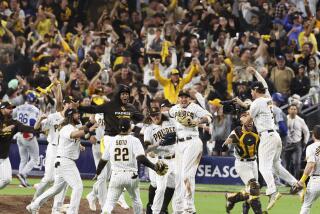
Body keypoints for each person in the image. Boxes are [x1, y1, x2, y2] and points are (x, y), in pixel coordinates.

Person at [26, 108, 97, 214]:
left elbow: (80, 129)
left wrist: (91, 122)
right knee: (78, 187)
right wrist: (91, 128)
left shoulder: (72, 126)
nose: (79, 115)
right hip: (65, 162)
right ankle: (72, 212)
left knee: (56, 189)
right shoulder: (66, 128)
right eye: (76, 114)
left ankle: (34, 205)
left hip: (63, 161)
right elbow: (74, 134)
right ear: (70, 116)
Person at [247, 67, 299, 210]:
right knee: (276, 166)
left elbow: (247, 122)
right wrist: (256, 73)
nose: (251, 93)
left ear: (256, 90)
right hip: (274, 135)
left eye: (252, 90)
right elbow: (263, 83)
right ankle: (296, 184)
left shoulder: (257, 102)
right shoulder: (268, 97)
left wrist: (243, 109)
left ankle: (272, 191)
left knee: (263, 167)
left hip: (267, 136)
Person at [94, 119, 168, 214]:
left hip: (116, 176)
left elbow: (103, 160)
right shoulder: (134, 140)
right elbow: (141, 158)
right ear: (129, 128)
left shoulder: (112, 141)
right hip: (131, 175)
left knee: (109, 203)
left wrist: (97, 172)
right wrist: (154, 167)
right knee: (136, 200)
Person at [168, 90, 212, 213]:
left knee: (187, 175)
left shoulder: (194, 107)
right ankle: (178, 208)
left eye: (186, 97)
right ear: (178, 99)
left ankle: (189, 209)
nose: (183, 99)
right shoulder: (174, 109)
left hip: (192, 141)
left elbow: (209, 117)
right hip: (179, 144)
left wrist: (198, 122)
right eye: (181, 97)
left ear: (189, 99)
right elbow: (167, 113)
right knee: (178, 176)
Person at [32, 95, 75, 213]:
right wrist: (40, 119)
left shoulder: (73, 119)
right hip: (53, 148)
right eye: (70, 103)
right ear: (65, 104)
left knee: (62, 180)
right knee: (48, 178)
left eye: (73, 103)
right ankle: (34, 202)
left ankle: (56, 209)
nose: (72, 105)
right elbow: (36, 128)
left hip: (65, 150)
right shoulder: (54, 116)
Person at [224, 110, 263, 214]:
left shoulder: (258, 129)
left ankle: (232, 198)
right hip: (242, 163)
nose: (248, 118)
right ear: (240, 120)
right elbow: (226, 144)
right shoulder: (237, 131)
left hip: (254, 162)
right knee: (254, 187)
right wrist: (227, 143)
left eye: (249, 115)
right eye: (244, 116)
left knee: (252, 191)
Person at [78, 84, 144, 136]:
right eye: (123, 94)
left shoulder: (131, 107)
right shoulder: (109, 105)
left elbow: (140, 118)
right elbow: (93, 109)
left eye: (127, 94)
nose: (125, 96)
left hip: (125, 137)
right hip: (110, 137)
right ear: (118, 95)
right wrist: (79, 107)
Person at [144, 107, 176, 214]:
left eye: (157, 114)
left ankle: (164, 208)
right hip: (161, 160)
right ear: (150, 117)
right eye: (153, 115)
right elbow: (147, 148)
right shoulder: (149, 129)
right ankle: (155, 211)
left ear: (161, 113)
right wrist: (159, 143)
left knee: (172, 186)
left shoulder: (171, 121)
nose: (155, 117)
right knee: (161, 188)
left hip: (175, 159)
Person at [0, 101, 38, 189]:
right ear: (2, 109)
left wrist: (39, 127)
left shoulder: (13, 123)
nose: (11, 110)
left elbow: (26, 128)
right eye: (8, 108)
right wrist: (2, 131)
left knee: (7, 180)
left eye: (12, 108)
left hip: (4, 157)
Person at [13, 91, 40, 187]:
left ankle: (22, 182)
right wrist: (32, 132)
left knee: (23, 159)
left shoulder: (19, 107)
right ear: (34, 100)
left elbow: (12, 117)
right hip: (28, 134)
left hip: (19, 135)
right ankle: (22, 174)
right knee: (35, 159)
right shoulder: (34, 109)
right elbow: (33, 121)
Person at [296, 125, 320, 214]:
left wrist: (302, 181)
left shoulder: (311, 147)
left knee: (306, 205)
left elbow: (310, 165)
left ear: (313, 134)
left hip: (316, 180)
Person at [284, 104, 310, 179]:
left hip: (297, 144)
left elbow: (307, 132)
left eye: (295, 109)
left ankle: (296, 181)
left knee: (297, 163)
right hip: (287, 144)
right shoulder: (285, 119)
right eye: (291, 109)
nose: (293, 110)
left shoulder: (300, 120)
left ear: (297, 111)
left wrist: (305, 142)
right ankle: (288, 181)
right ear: (288, 110)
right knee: (287, 164)